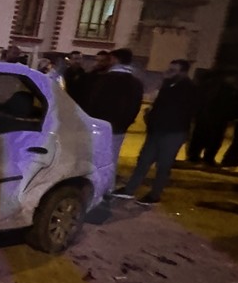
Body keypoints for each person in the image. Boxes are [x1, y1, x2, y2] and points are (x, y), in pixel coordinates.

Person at [113, 59, 199, 205]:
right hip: (156, 131)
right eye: (169, 69)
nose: (168, 72)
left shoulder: (188, 88)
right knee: (143, 161)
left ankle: (154, 195)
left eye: (173, 70)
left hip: (173, 133)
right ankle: (129, 190)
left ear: (183, 72)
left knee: (163, 165)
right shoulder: (169, 85)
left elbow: (177, 108)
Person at [81, 48, 144, 170]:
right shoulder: (136, 83)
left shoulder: (105, 80)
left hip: (100, 126)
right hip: (119, 128)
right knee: (111, 159)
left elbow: (93, 103)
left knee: (94, 159)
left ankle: (93, 186)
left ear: (115, 59)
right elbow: (135, 107)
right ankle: (108, 187)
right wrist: (125, 123)